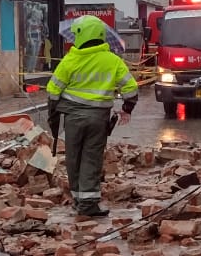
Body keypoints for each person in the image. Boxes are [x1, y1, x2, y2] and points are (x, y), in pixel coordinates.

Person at [47, 15, 138, 217]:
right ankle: (88, 204)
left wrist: (53, 118)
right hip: (98, 119)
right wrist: (126, 109)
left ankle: (79, 200)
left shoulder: (70, 60)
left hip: (72, 118)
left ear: (80, 34)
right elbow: (131, 89)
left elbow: (53, 92)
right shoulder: (113, 60)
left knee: (73, 157)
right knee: (91, 157)